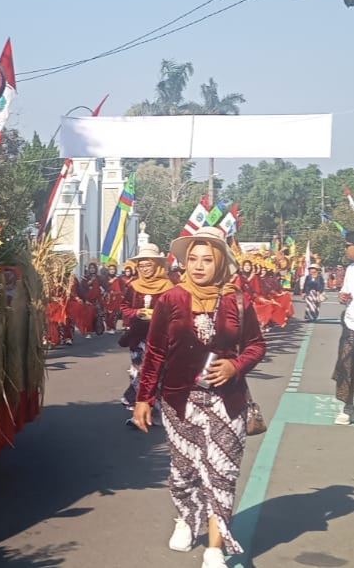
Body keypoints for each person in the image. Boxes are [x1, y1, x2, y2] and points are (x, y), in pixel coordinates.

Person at [132, 227, 265, 567]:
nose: (198, 266)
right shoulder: (170, 300)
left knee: (221, 471)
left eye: (207, 260)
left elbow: (256, 345)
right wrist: (143, 399)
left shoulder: (238, 300)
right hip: (179, 400)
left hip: (227, 401)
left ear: (220, 262)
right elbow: (155, 354)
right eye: (192, 259)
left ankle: (215, 547)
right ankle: (185, 518)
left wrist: (235, 366)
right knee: (184, 470)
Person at [119, 243, 174, 419]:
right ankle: (137, 407)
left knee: (157, 370)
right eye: (141, 265)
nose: (145, 269)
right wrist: (137, 312)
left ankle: (155, 407)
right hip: (138, 335)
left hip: (161, 336)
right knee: (139, 370)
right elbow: (124, 307)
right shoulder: (133, 286)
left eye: (148, 265)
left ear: (157, 265)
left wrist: (158, 316)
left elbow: (176, 311)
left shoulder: (169, 286)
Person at [334, 231, 354, 425]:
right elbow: (345, 293)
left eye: (348, 245)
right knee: (347, 367)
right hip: (351, 326)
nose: (345, 249)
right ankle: (348, 407)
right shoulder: (350, 269)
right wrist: (342, 297)